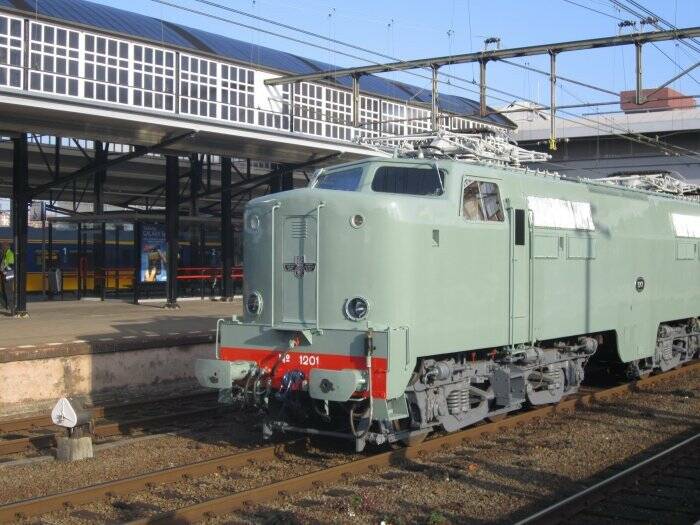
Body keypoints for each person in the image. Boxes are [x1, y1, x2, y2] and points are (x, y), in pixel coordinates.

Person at [0, 241, 15, 313]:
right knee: (4, 291)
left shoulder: (10, 253)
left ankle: (12, 309)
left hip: (8, 275)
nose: (2, 248)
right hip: (5, 275)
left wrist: (3, 268)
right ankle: (7, 305)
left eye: (2, 247)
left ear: (6, 247)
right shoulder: (5, 254)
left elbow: (11, 264)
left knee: (9, 292)